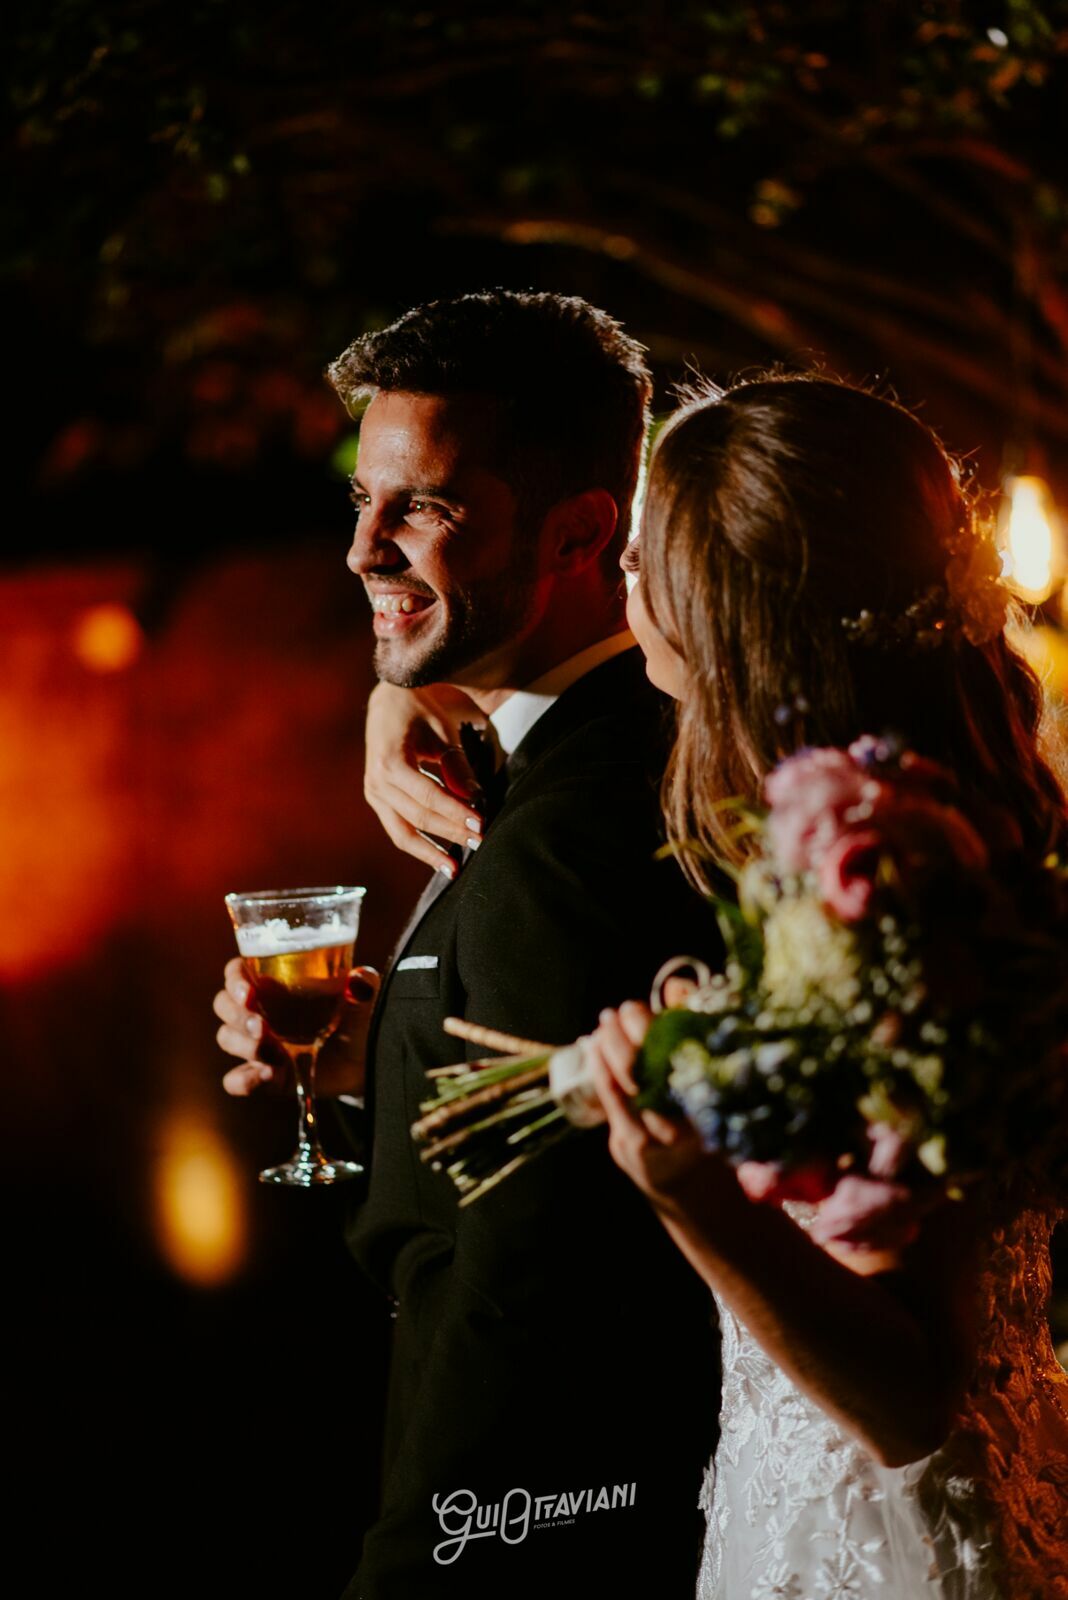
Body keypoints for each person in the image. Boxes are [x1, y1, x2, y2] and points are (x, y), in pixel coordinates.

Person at [213, 291, 721, 1598]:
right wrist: (368, 1061)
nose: (363, 552)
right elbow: (545, 1128)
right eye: (361, 504)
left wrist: (423, 1560)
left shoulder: (576, 831)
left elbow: (538, 1289)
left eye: (424, 508)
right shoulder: (563, 765)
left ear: (581, 531)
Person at [576, 374, 1068, 1598]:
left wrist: (693, 1196)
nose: (620, 582)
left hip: (888, 1549)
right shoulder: (883, 848)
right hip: (809, 1509)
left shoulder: (899, 888)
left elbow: (914, 1390)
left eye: (643, 561)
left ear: (726, 612)